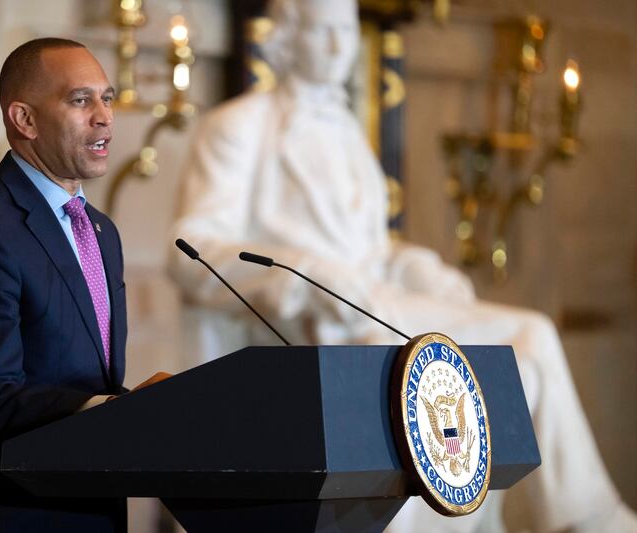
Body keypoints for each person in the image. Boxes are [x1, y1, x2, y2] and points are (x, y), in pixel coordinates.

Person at [168, 1, 637, 531]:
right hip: (319, 322)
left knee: (521, 362)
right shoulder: (238, 127)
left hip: (378, 302)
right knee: (531, 334)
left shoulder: (346, 129)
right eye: (322, 32)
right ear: (286, 37)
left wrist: (415, 264)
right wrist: (301, 273)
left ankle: (569, 516)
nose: (338, 47)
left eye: (344, 33)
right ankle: (594, 519)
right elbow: (192, 252)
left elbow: (370, 247)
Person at [0, 38, 167, 533]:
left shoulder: (102, 231)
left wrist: (138, 409)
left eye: (106, 98)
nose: (106, 117)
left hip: (87, 509)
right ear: (24, 119)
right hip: (0, 512)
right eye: (80, 100)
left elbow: (86, 379)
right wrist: (113, 409)